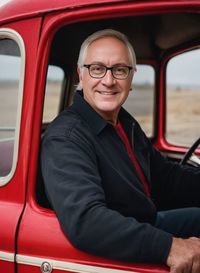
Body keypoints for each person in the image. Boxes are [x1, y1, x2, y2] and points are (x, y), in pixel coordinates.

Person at [41, 29, 200, 273]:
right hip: (128, 236)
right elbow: (87, 221)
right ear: (80, 75)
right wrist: (170, 247)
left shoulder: (123, 122)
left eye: (119, 69)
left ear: (131, 77)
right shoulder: (66, 137)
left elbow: (164, 176)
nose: (108, 80)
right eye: (96, 68)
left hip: (146, 219)